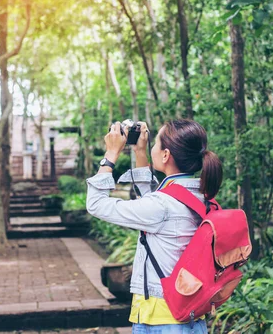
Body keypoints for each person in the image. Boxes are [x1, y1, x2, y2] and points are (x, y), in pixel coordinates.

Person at [86, 119, 223, 334]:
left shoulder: (162, 206)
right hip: (189, 316)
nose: (152, 148)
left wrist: (110, 155)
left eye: (155, 143)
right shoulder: (198, 196)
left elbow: (96, 205)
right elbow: (152, 203)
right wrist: (140, 153)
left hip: (163, 319)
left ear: (166, 155)